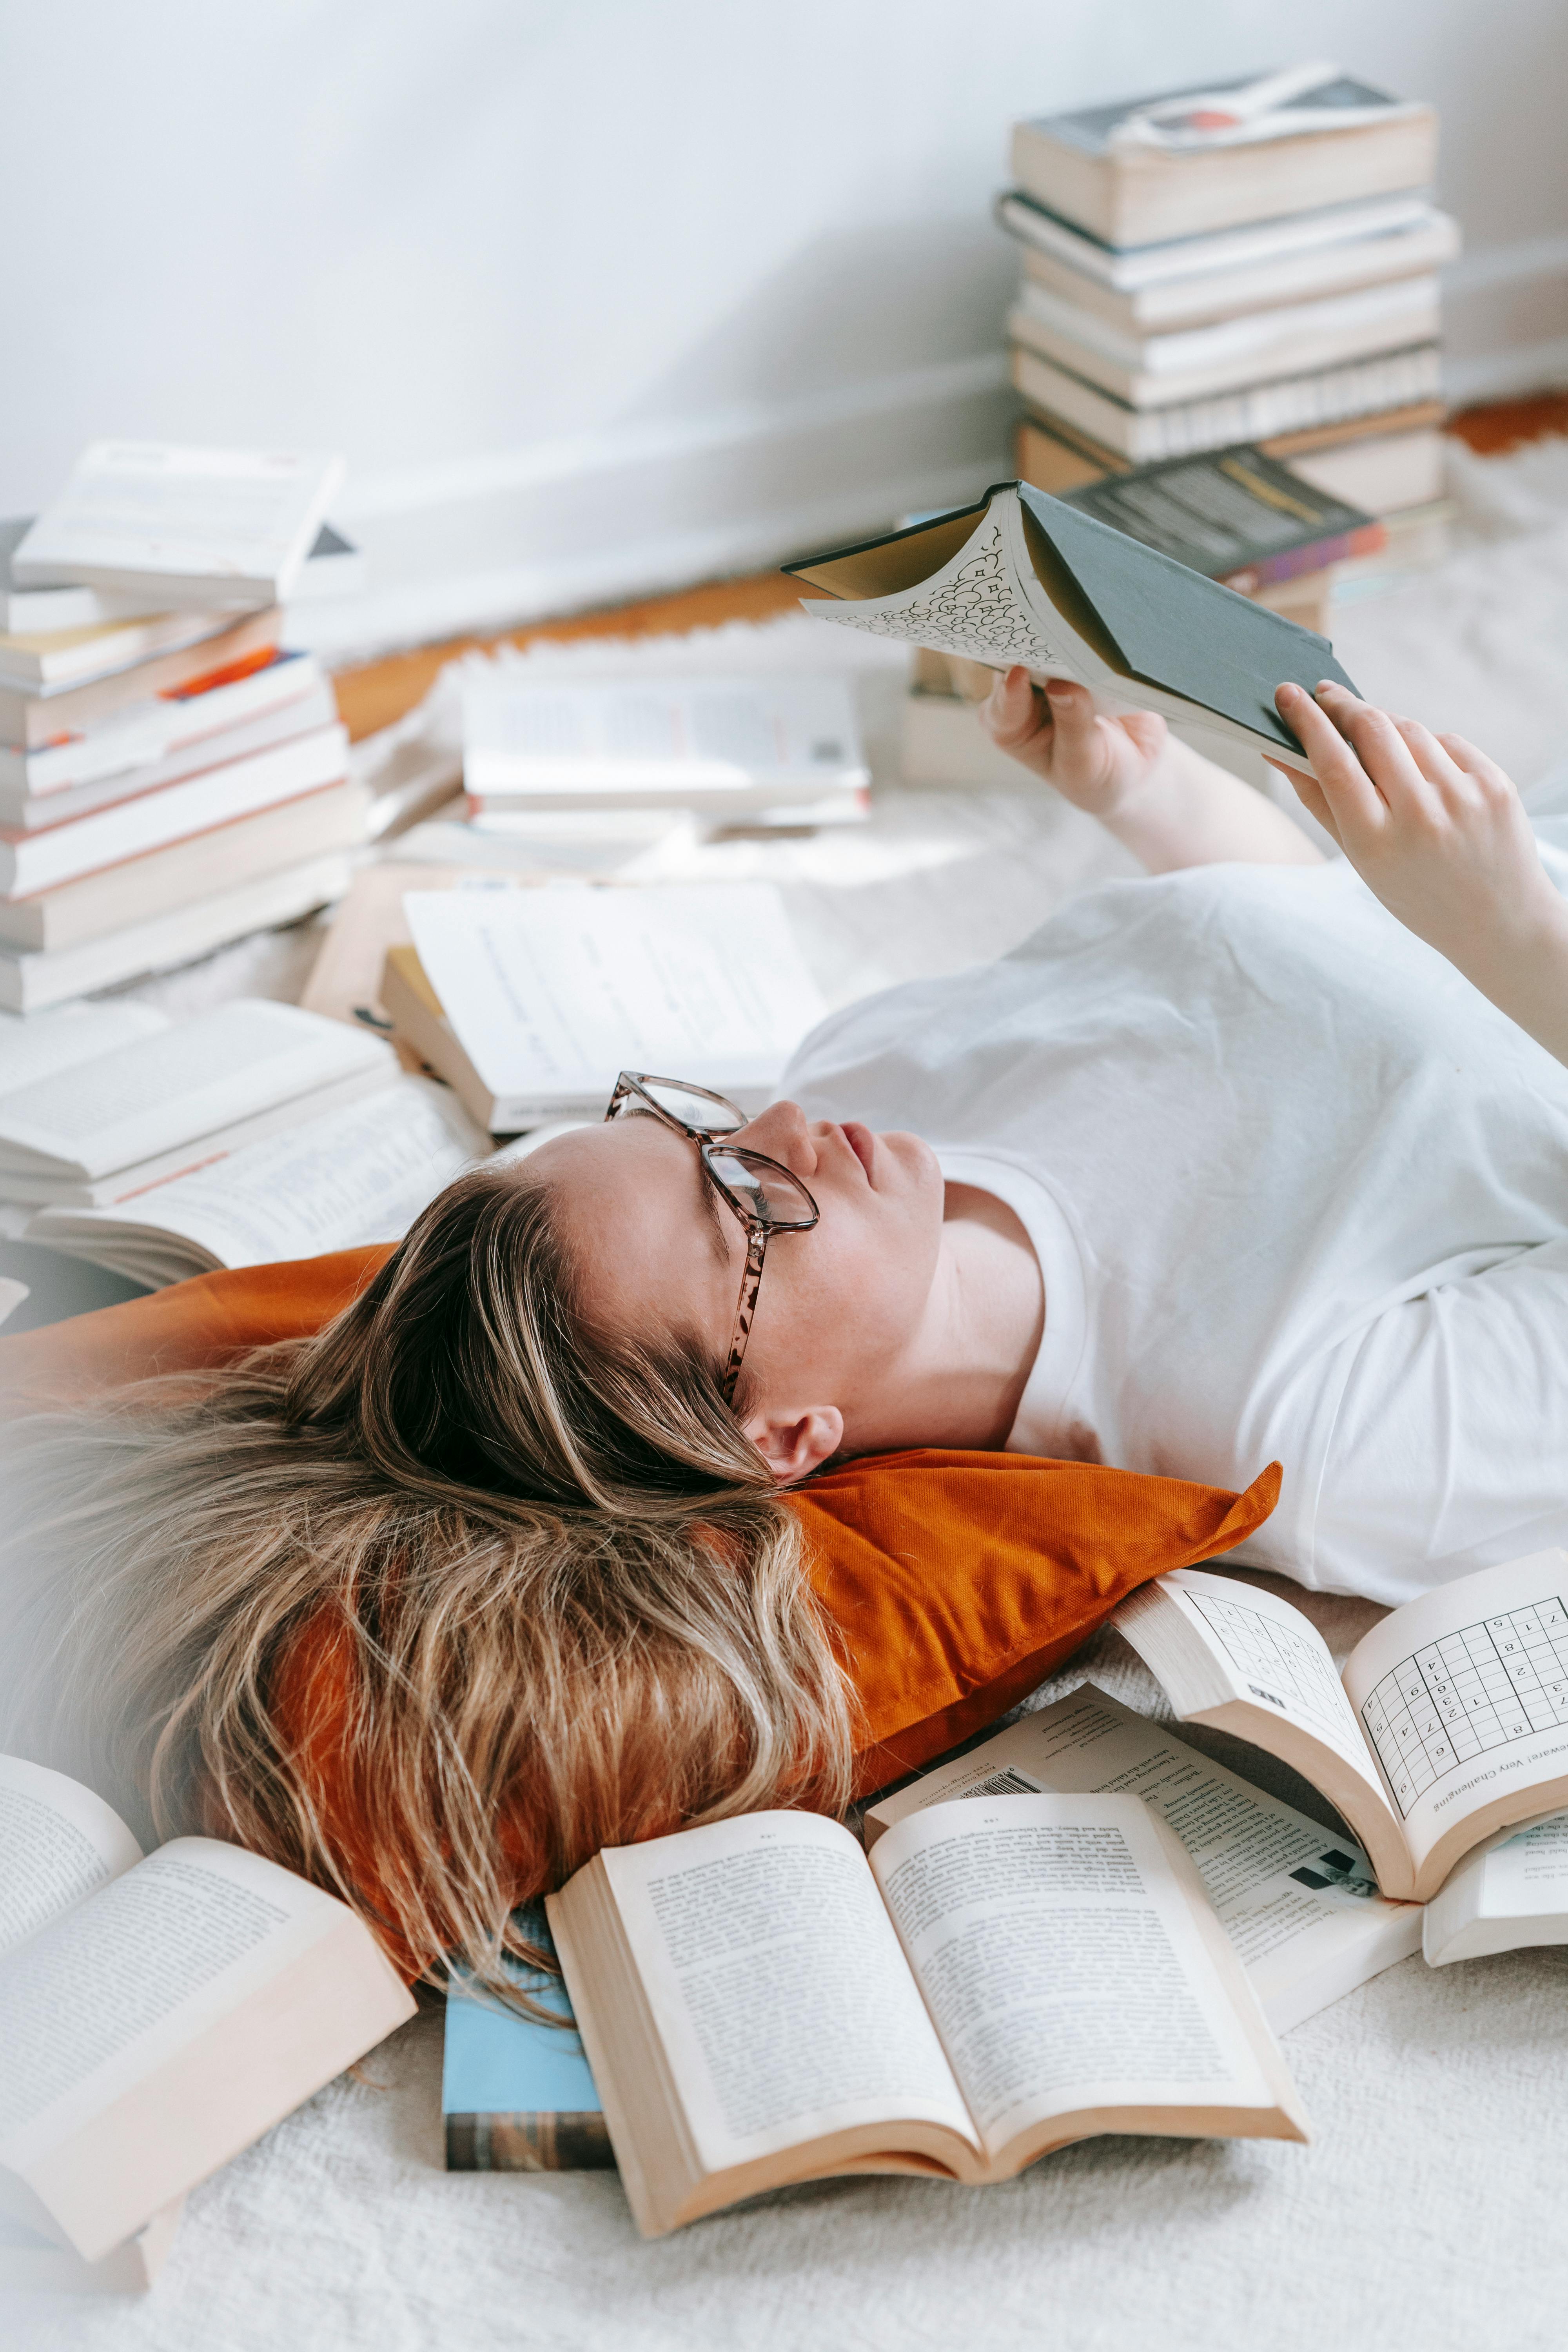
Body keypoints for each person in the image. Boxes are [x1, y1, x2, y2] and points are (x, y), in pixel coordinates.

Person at [5, 666, 1565, 1994]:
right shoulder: (1314, 1431)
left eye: (703, 1132)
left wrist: (1146, 793)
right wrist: (1509, 931)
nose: (791, 1125)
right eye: (743, 1202)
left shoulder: (882, 1091)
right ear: (784, 1436)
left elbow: (1311, 965)